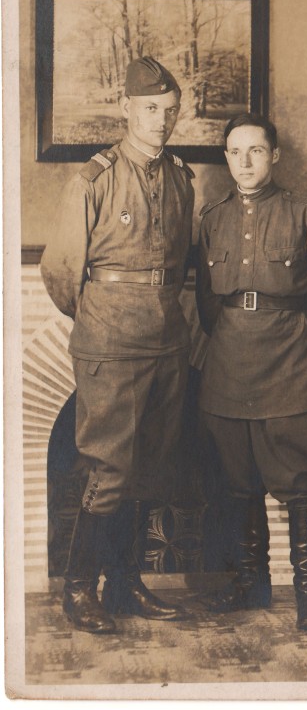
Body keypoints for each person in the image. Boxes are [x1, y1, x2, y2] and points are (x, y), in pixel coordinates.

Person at [41, 56, 195, 634]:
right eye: (151, 109)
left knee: (151, 468)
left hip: (168, 340)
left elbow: (179, 264)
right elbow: (61, 273)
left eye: (170, 110)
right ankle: (80, 589)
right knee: (108, 468)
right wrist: (102, 323)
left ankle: (127, 584)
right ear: (127, 109)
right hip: (110, 341)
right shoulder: (95, 179)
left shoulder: (181, 178)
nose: (161, 120)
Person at [196, 113, 307, 631]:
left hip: (291, 361)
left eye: (256, 151)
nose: (245, 162)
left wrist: (302, 344)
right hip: (229, 363)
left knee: (300, 482)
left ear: (274, 156)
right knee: (239, 483)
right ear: (226, 158)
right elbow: (206, 306)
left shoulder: (306, 213)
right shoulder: (213, 218)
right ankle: (250, 585)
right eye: (235, 152)